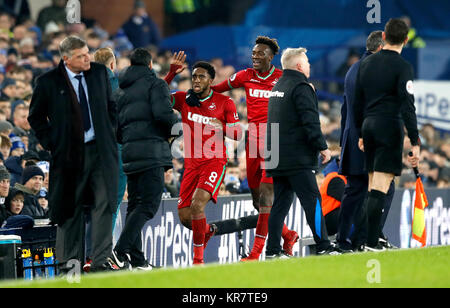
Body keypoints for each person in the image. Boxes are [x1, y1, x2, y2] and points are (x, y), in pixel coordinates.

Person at [28, 35, 119, 272]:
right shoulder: (48, 82)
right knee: (70, 209)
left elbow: (111, 106)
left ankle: (100, 262)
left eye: (87, 52)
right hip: (69, 156)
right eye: (81, 55)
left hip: (100, 152)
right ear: (67, 59)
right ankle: (69, 265)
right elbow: (35, 118)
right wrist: (52, 143)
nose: (87, 57)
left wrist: (111, 131)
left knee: (103, 205)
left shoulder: (99, 73)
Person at [210, 36, 299, 259]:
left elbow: (304, 95)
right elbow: (218, 88)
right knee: (257, 199)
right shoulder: (245, 76)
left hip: (274, 141)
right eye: (253, 53)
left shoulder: (282, 78)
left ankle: (256, 253)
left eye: (260, 54)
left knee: (267, 197)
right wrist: (200, 94)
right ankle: (288, 235)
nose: (255, 57)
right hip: (252, 141)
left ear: (271, 56)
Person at [354, 18, 420, 251]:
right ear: (406, 39)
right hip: (388, 126)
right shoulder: (403, 67)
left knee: (372, 187)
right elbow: (407, 105)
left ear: (383, 36)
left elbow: (357, 102)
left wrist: (361, 131)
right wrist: (415, 140)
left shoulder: (366, 64)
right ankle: (371, 243)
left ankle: (359, 241)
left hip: (368, 126)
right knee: (381, 186)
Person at [265, 47, 337, 258]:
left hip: (276, 157)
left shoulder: (278, 86)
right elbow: (310, 122)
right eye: (306, 62)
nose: (309, 65)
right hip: (297, 158)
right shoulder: (302, 87)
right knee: (312, 202)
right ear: (298, 66)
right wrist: (322, 147)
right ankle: (323, 245)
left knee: (279, 205)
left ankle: (272, 251)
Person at [110, 48, 177, 270]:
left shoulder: (120, 91)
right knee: (148, 205)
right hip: (151, 153)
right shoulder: (156, 84)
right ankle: (119, 252)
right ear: (150, 65)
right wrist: (177, 127)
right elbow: (163, 115)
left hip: (129, 153)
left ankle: (138, 261)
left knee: (135, 206)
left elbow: (116, 130)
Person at [170, 61, 242, 265]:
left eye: (201, 77)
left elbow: (237, 133)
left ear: (211, 81)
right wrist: (171, 74)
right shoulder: (183, 99)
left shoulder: (224, 102)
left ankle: (198, 261)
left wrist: (223, 127)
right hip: (191, 165)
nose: (196, 80)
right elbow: (159, 98)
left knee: (197, 204)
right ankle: (207, 230)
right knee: (185, 217)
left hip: (214, 162)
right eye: (194, 76)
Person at [337, 31, 397, 252]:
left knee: (355, 191)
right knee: (384, 188)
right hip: (368, 141)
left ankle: (343, 241)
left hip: (352, 141)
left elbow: (346, 110)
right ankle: (368, 239)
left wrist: (345, 143)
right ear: (381, 48)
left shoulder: (352, 69)